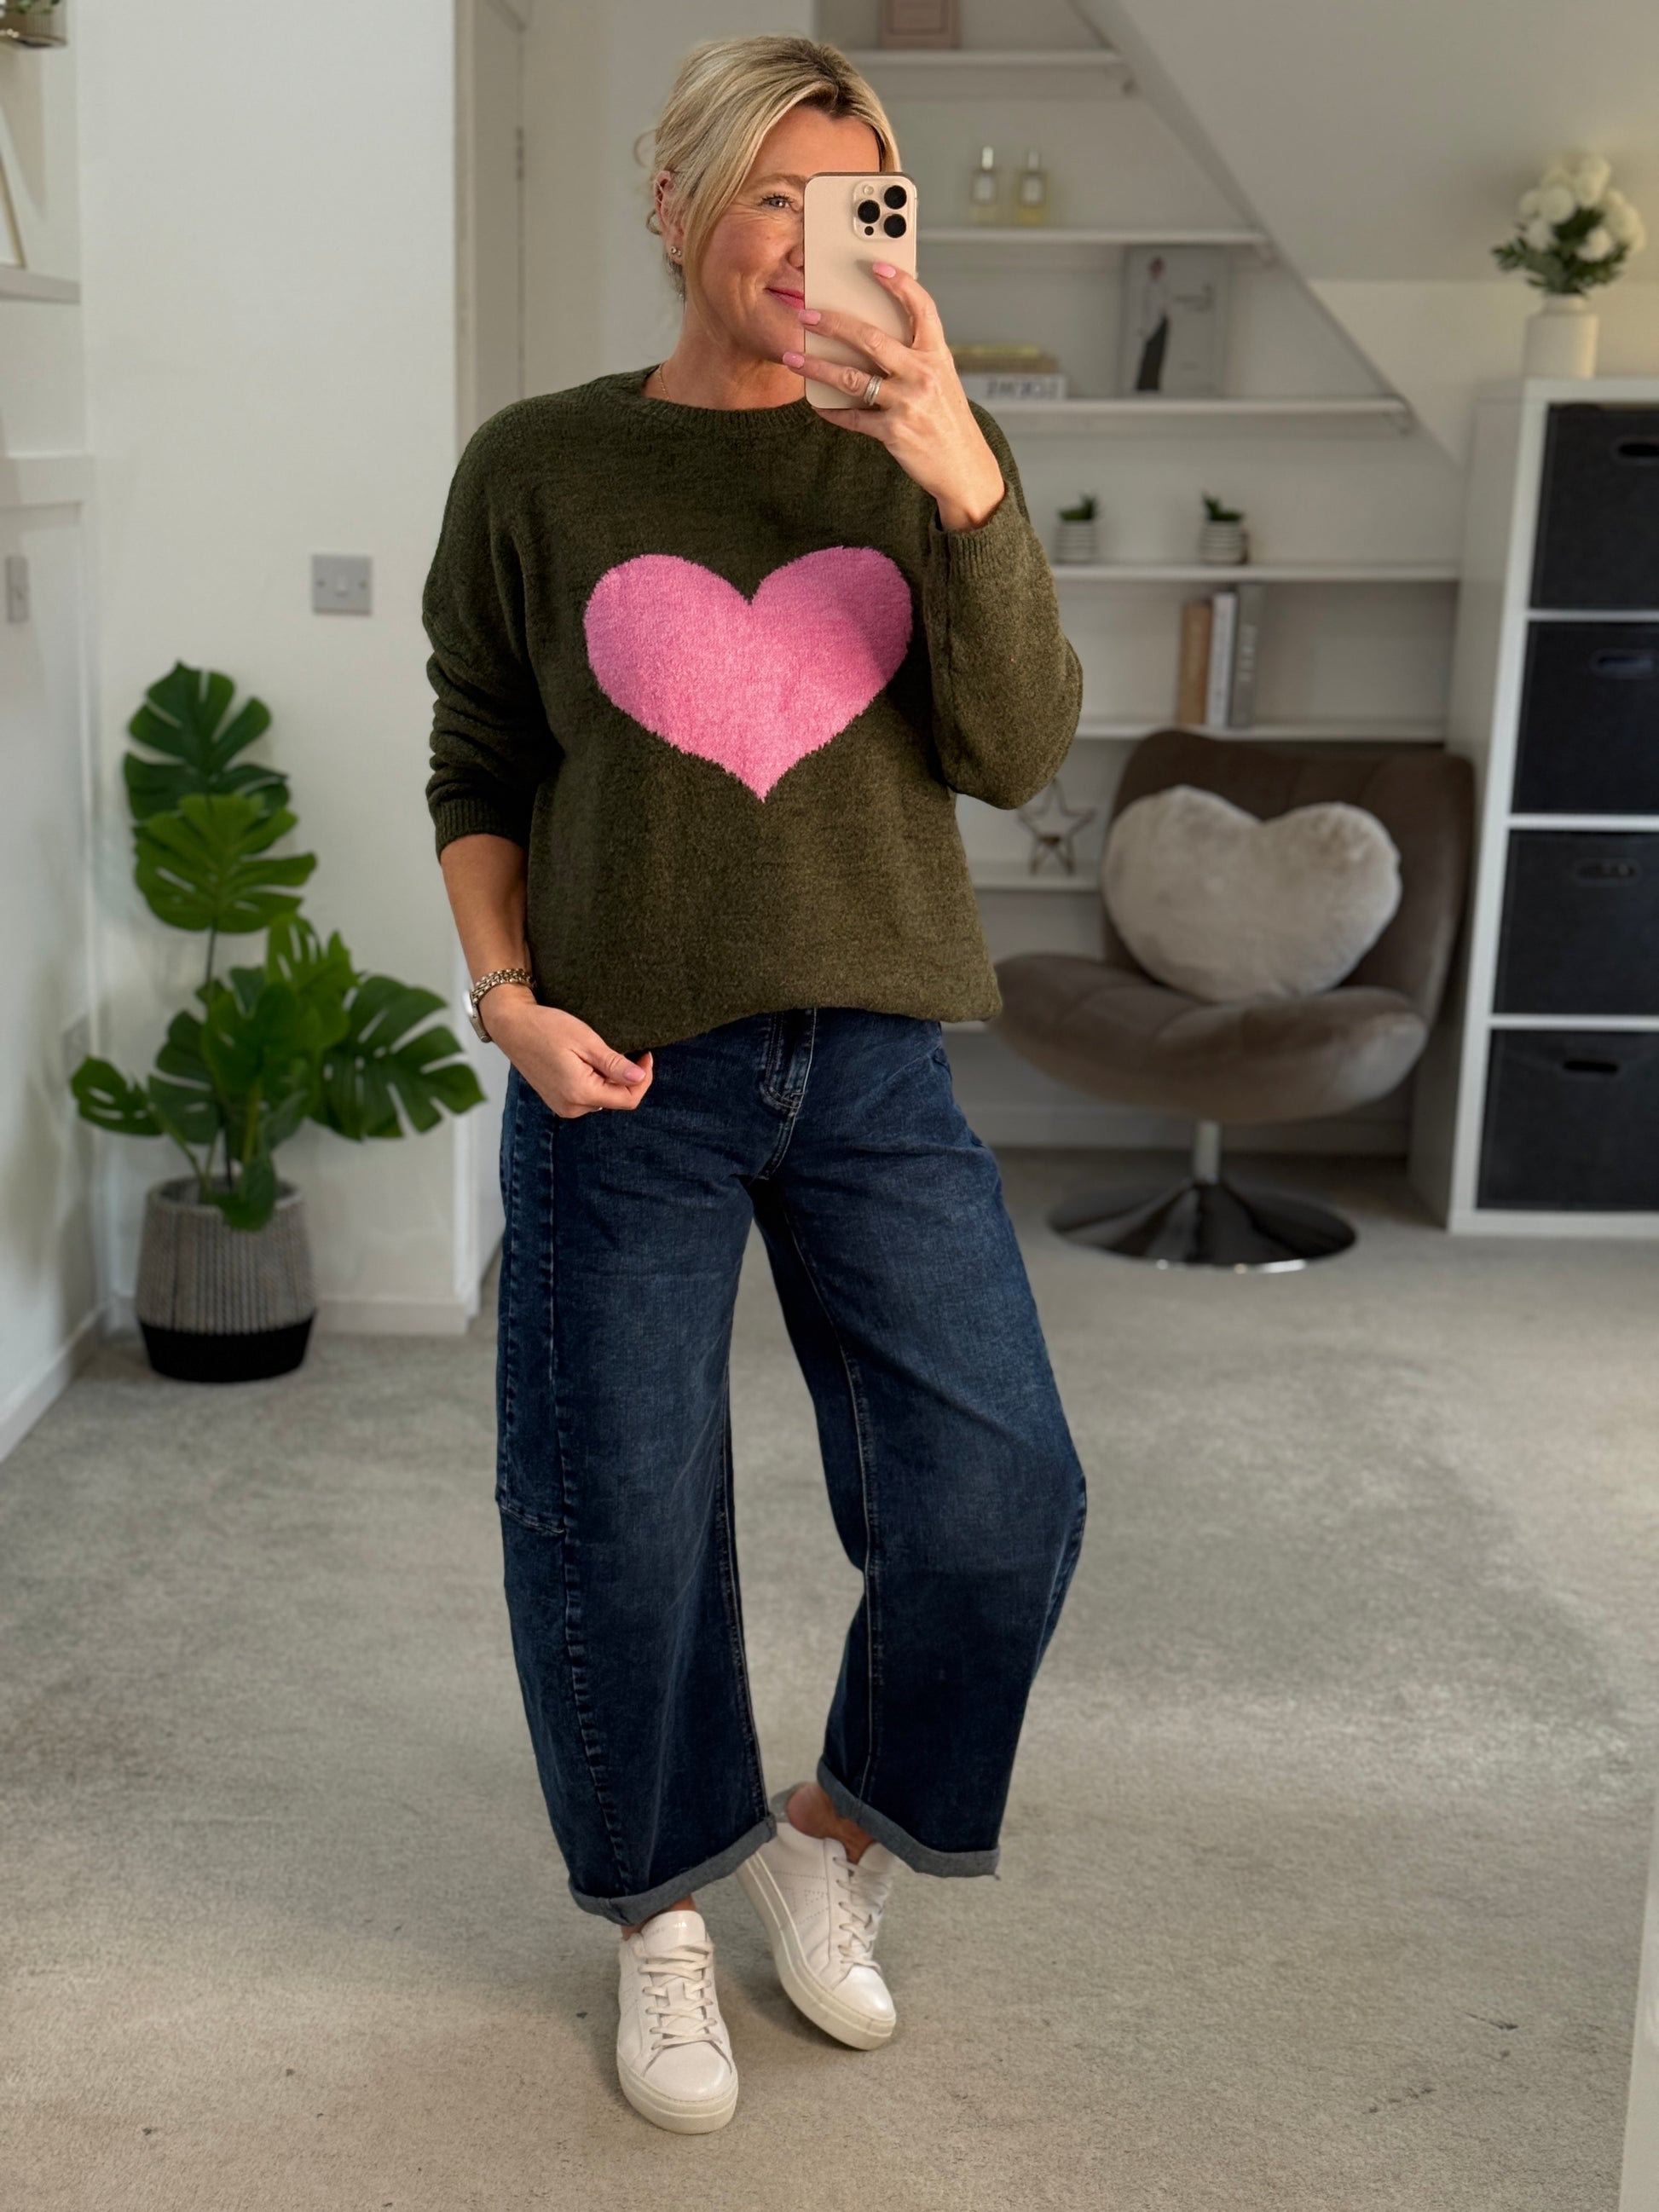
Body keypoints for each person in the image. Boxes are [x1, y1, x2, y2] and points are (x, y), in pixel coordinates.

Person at [422, 34, 1089, 2136]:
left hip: (872, 1057)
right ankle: (658, 1914)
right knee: (611, 1515)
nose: (812, 243)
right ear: (675, 203)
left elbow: (1018, 749)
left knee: (999, 1495)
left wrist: (959, 470)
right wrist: (503, 993)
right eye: (770, 196)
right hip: (618, 1067)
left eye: (855, 200)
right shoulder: (541, 464)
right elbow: (477, 752)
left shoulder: (923, 448)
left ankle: (829, 1836)